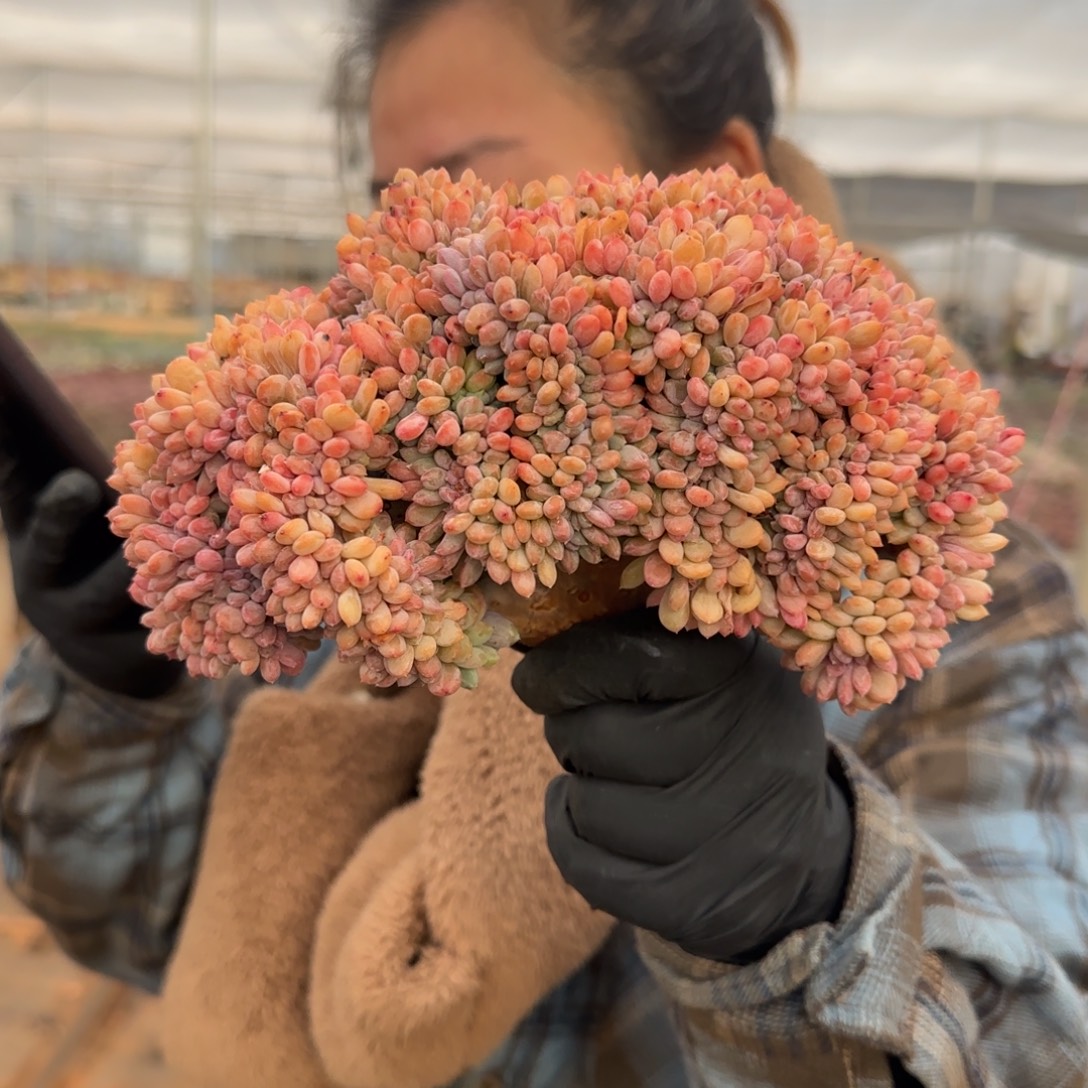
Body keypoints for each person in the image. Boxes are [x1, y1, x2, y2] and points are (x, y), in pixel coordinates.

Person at [3, 1, 1087, 1085]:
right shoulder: (396, 540)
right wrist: (120, 713)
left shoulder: (976, 608)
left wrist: (811, 900)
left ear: (717, 181)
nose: (398, 250)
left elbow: (1042, 1055)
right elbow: (159, 926)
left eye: (465, 177)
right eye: (384, 202)